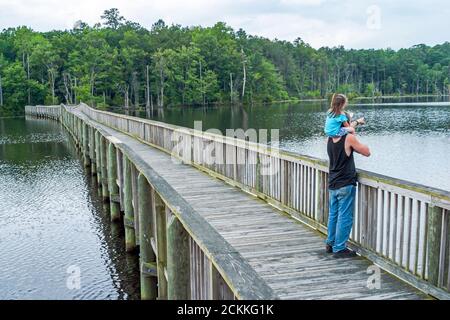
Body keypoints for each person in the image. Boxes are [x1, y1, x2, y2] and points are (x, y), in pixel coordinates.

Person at [324, 93, 371, 258]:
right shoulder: (349, 138)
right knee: (345, 217)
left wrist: (354, 123)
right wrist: (354, 132)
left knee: (333, 214)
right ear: (343, 105)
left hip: (333, 182)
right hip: (346, 183)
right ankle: (339, 248)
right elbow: (367, 152)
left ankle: (330, 243)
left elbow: (345, 128)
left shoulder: (329, 138)